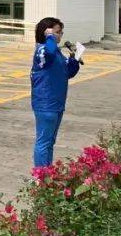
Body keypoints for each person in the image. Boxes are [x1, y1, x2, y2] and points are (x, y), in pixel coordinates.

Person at [30, 18, 85, 168]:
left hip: (57, 103)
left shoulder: (57, 53)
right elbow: (50, 52)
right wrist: (49, 37)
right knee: (43, 141)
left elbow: (67, 72)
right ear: (46, 32)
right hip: (45, 103)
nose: (60, 35)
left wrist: (75, 59)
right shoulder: (43, 50)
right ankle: (40, 177)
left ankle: (47, 173)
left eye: (61, 32)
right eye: (57, 32)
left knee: (50, 141)